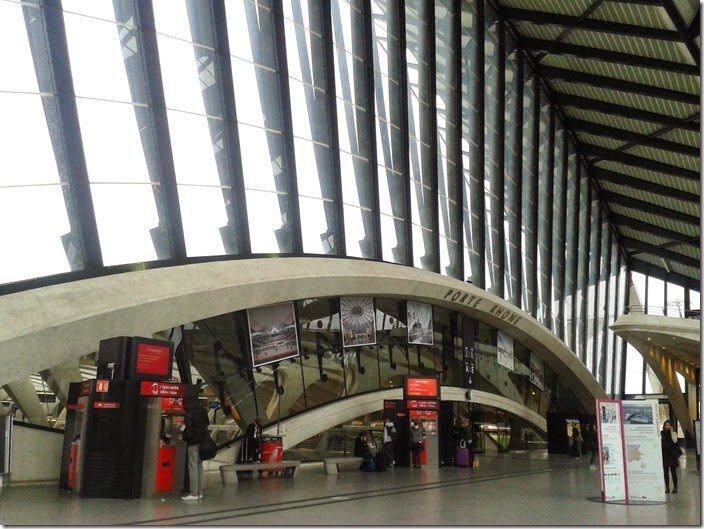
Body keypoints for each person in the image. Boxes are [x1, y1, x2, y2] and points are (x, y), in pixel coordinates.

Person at [181, 397, 209, 501]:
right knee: (199, 466)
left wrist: (184, 436)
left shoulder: (189, 414)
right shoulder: (203, 411)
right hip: (202, 442)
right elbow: (207, 423)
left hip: (193, 443)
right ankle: (200, 492)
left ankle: (193, 493)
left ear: (187, 404)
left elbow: (188, 431)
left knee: (192, 467)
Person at [661, 420, 680, 493]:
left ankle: (675, 487)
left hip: (672, 454)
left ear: (671, 426)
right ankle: (667, 487)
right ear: (664, 425)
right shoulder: (661, 433)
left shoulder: (674, 433)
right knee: (665, 472)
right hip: (665, 454)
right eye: (666, 425)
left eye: (669, 425)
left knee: (673, 471)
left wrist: (671, 432)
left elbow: (675, 441)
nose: (667, 426)